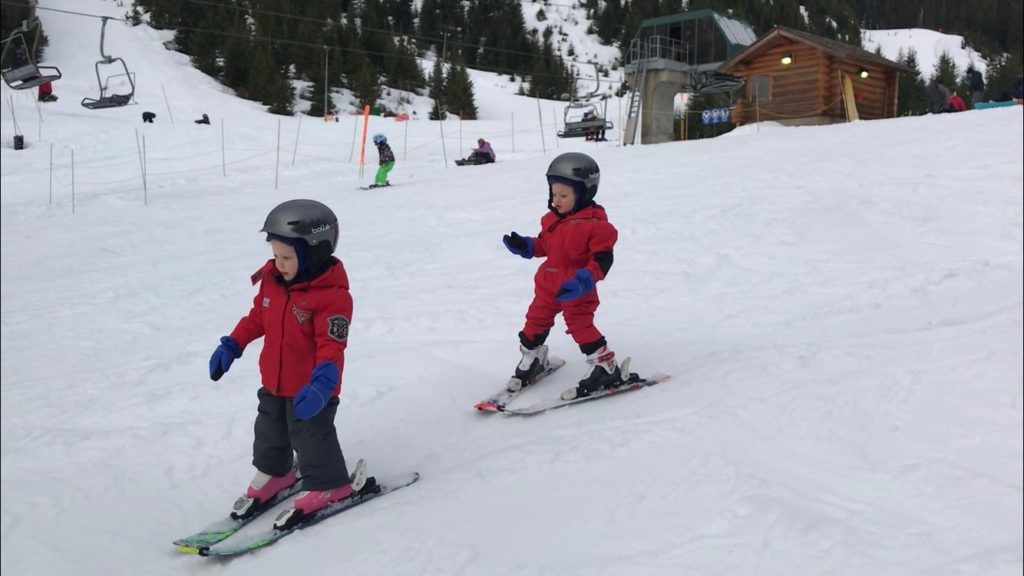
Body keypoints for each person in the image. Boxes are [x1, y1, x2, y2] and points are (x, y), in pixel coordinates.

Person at [208, 199, 371, 531]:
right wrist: (233, 343)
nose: (278, 263)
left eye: (286, 257)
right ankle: (277, 473)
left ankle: (330, 484)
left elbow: (332, 344)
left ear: (313, 252)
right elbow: (258, 318)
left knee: (312, 436)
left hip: (312, 389)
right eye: (275, 255)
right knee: (269, 431)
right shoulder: (273, 282)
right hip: (274, 381)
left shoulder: (331, 296)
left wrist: (323, 384)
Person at [501, 152, 622, 401]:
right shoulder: (552, 220)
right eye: (553, 194)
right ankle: (533, 358)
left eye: (563, 196)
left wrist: (585, 280)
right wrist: (526, 246)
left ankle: (606, 367)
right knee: (534, 322)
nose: (556, 200)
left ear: (584, 193)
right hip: (547, 283)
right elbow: (546, 245)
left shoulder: (596, 226)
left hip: (576, 285)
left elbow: (602, 259)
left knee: (579, 324)